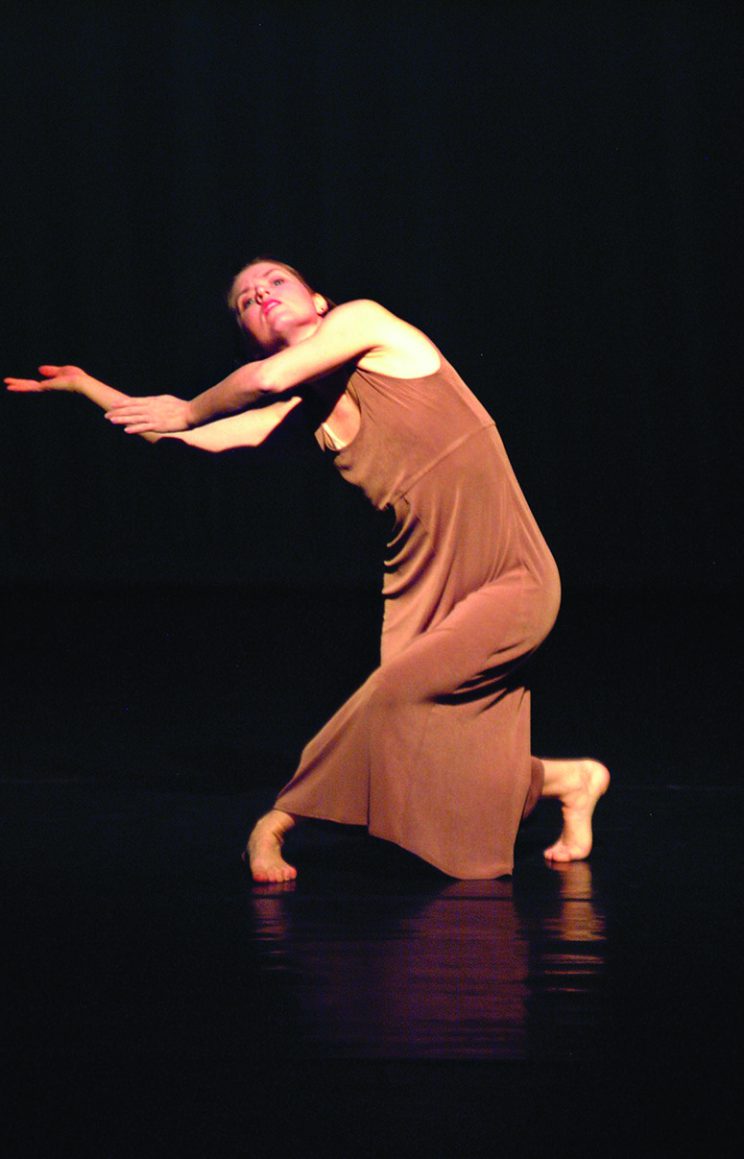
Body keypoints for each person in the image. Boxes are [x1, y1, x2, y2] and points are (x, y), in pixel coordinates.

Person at [6, 258, 609, 882]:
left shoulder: (366, 323)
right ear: (248, 333)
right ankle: (569, 781)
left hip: (508, 571)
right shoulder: (305, 411)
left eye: (274, 281)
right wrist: (88, 388)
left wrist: (189, 409)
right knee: (431, 749)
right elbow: (185, 434)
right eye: (245, 300)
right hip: (424, 581)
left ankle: (278, 821)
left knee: (394, 700)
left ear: (318, 301)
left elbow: (238, 392)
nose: (260, 293)